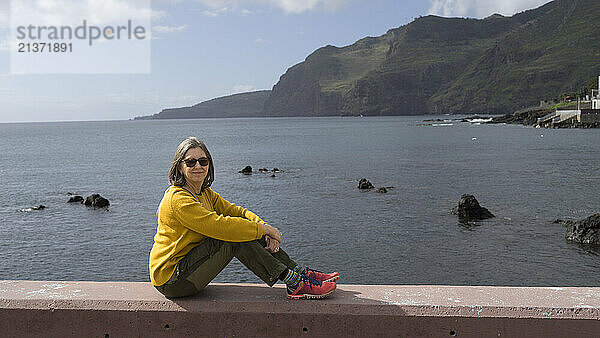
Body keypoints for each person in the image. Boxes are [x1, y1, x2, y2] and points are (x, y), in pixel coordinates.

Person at [149, 137, 339, 299]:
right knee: (231, 238)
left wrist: (264, 228)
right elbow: (221, 227)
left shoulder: (203, 193)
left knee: (242, 228)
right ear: (180, 167)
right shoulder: (179, 199)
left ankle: (299, 273)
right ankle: (294, 283)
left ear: (209, 164)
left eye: (203, 161)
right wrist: (265, 231)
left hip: (187, 270)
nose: (198, 166)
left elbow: (237, 212)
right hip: (173, 280)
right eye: (190, 162)